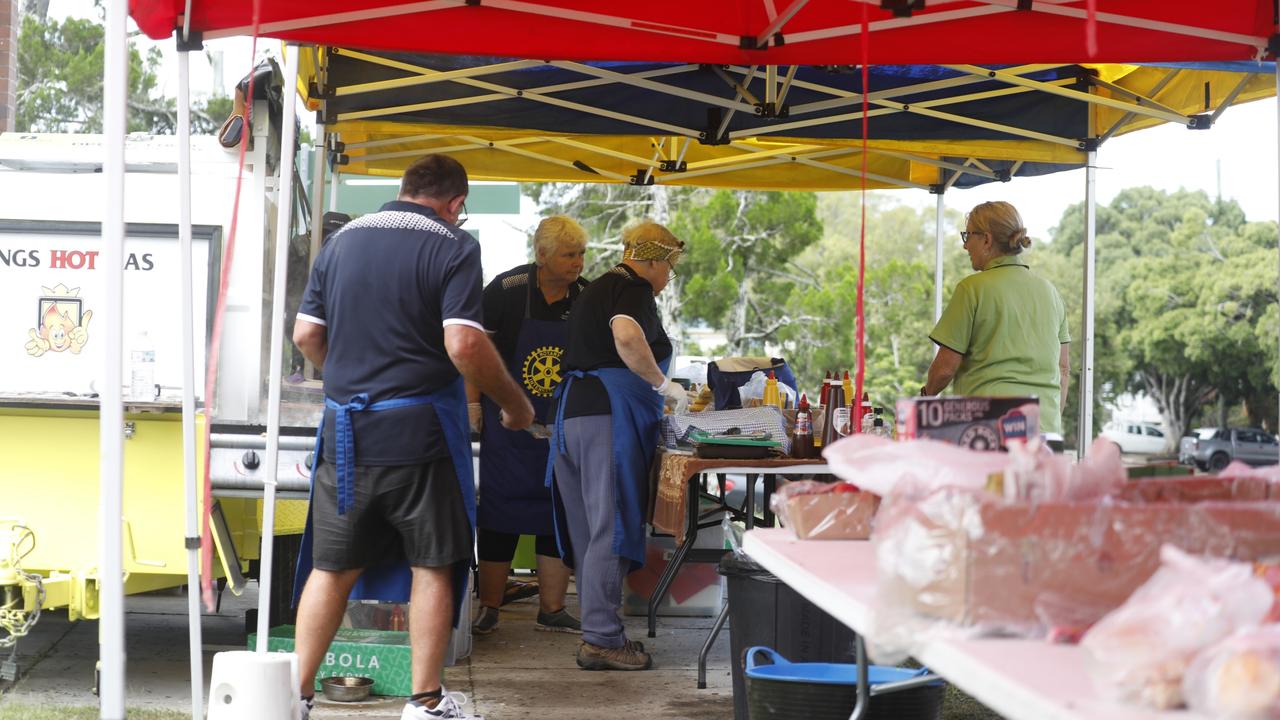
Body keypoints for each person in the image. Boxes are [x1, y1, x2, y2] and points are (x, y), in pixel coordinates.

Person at [291, 154, 534, 720]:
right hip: (420, 436)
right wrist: (515, 404)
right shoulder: (452, 245)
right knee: (434, 565)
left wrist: (352, 376)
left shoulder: (342, 240)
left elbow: (306, 335)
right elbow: (464, 346)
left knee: (333, 568)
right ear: (455, 205)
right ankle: (424, 702)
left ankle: (296, 698)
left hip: (348, 435)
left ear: (403, 189)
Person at [546, 220, 688, 671]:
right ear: (652, 260)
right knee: (611, 526)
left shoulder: (595, 287)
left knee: (588, 529)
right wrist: (664, 384)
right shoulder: (633, 287)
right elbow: (627, 337)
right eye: (668, 267)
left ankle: (597, 630)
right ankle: (603, 639)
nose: (667, 279)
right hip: (609, 416)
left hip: (573, 417)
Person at [467, 215, 589, 635]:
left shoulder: (586, 296)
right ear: (542, 256)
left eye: (581, 254)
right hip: (506, 419)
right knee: (500, 511)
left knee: (556, 511)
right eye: (569, 255)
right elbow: (472, 347)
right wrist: (472, 405)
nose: (578, 262)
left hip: (561, 424)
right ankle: (489, 607)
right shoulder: (507, 289)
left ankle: (552, 609)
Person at [924, 200, 1071, 449]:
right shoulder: (1050, 292)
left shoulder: (972, 289)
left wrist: (925, 398)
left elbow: (945, 369)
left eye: (968, 235)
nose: (964, 245)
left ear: (987, 239)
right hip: (1045, 431)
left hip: (990, 429)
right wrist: (1048, 419)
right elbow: (1064, 369)